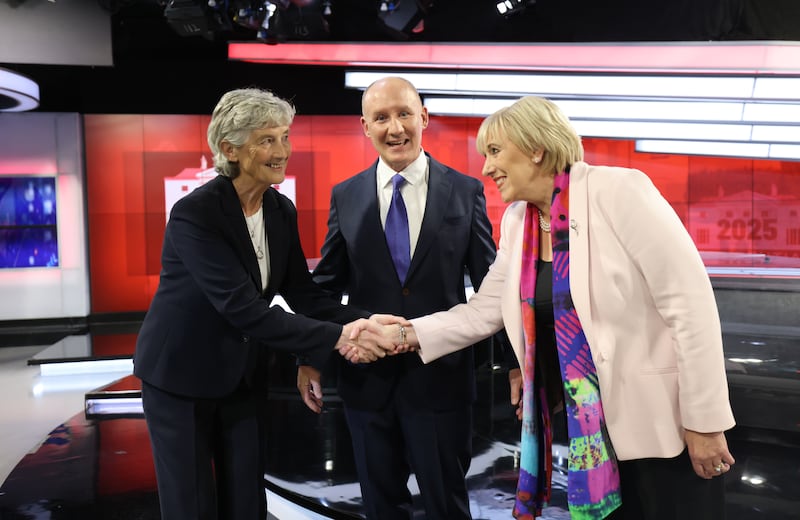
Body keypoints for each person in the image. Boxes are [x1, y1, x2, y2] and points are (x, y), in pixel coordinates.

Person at [345, 95, 737, 520]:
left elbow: (690, 308)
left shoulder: (619, 191)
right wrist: (401, 334)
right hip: (594, 434)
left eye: (495, 152)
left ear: (536, 149)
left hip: (664, 427)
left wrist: (704, 420)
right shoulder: (519, 221)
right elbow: (481, 312)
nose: (486, 167)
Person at [133, 87, 390, 520]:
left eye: (285, 137)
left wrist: (368, 319)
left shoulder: (280, 210)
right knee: (191, 505)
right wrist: (341, 337)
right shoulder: (196, 214)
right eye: (267, 140)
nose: (282, 151)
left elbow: (304, 294)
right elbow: (243, 308)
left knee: (246, 501)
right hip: (179, 377)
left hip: (242, 376)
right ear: (230, 149)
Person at [297, 76, 502, 520]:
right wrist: (311, 356)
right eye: (381, 118)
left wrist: (519, 363)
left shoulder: (465, 191)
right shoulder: (346, 195)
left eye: (404, 113)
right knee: (379, 505)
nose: (395, 128)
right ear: (365, 127)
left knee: (447, 504)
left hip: (442, 379)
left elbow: (492, 286)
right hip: (366, 381)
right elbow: (327, 284)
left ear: (424, 117)